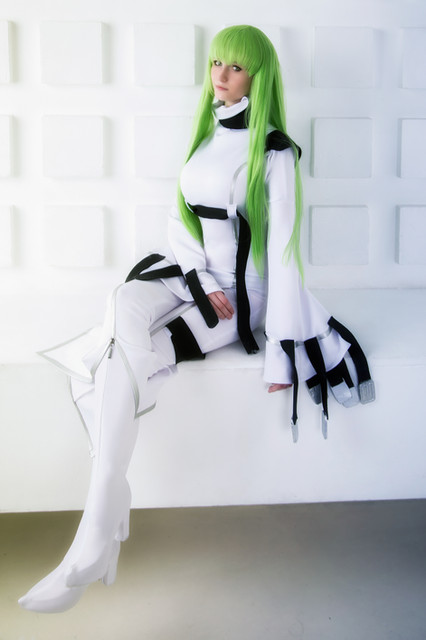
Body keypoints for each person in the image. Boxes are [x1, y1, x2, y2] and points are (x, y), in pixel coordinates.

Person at [18, 25, 374, 614]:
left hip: (244, 296)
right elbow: (178, 222)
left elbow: (284, 254)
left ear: (257, 77)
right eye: (215, 63)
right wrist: (198, 280)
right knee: (122, 307)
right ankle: (108, 508)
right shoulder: (207, 135)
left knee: (124, 358)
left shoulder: (276, 152)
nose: (220, 75)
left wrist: (281, 355)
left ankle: (94, 534)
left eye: (234, 67)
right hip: (194, 278)